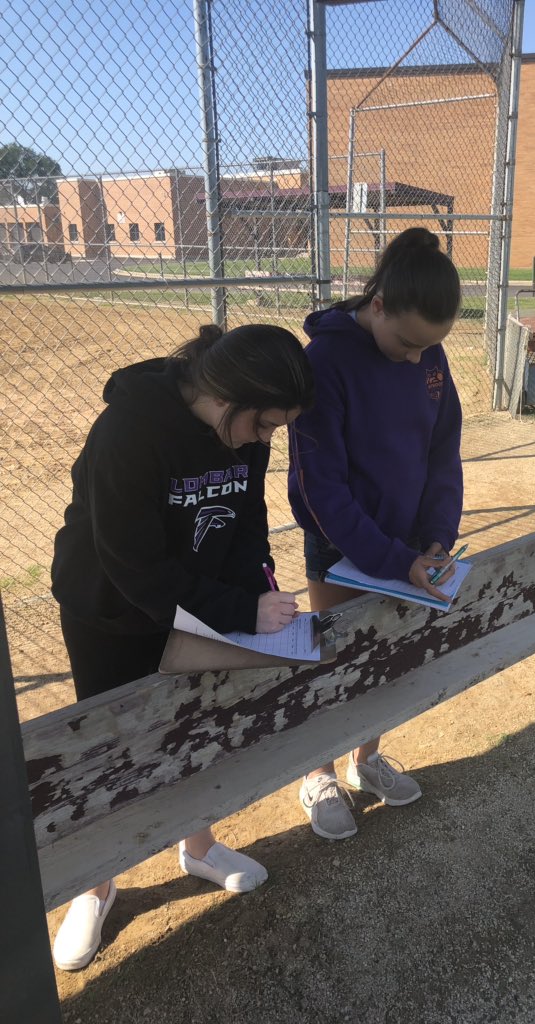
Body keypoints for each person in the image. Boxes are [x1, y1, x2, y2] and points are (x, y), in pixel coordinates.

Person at [50, 322, 314, 970]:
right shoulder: (129, 429)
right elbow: (134, 571)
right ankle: (96, 884)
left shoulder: (245, 431)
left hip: (198, 599)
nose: (265, 441)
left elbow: (248, 522)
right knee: (113, 751)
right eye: (262, 426)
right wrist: (236, 610)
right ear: (227, 400)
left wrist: (264, 593)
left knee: (197, 729)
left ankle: (197, 847)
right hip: (108, 611)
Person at [288, 227, 463, 841]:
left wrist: (438, 535)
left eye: (430, 347)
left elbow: (443, 455)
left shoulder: (428, 355)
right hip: (342, 547)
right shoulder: (325, 362)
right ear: (378, 305)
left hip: (408, 545)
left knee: (385, 656)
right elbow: (321, 488)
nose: (418, 359)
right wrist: (391, 558)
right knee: (331, 658)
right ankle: (320, 773)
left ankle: (365, 760)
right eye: (408, 343)